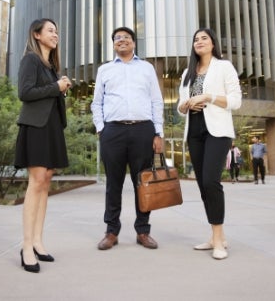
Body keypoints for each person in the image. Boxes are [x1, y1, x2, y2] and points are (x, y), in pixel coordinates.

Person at [91, 26, 164, 251]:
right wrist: (101, 129)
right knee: (113, 184)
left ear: (134, 43)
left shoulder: (146, 68)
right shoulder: (104, 70)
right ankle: (111, 231)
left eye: (126, 38)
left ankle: (143, 231)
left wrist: (158, 132)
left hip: (143, 130)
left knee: (142, 184)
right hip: (113, 132)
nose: (122, 40)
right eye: (117, 38)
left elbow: (156, 101)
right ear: (113, 44)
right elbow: (97, 102)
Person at [177, 28, 241, 260]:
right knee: (203, 186)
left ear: (213, 43)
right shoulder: (188, 72)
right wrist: (185, 106)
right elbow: (180, 104)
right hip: (194, 130)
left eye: (204, 38)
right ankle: (216, 238)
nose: (199, 42)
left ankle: (219, 239)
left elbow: (236, 101)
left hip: (218, 131)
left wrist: (208, 97)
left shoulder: (224, 67)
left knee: (211, 182)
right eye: (196, 39)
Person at [14, 18, 71, 273]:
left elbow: (47, 92)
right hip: (36, 127)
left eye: (57, 31)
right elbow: (24, 93)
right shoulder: (31, 59)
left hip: (51, 127)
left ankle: (38, 241)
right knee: (36, 182)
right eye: (50, 30)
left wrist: (60, 88)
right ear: (37, 35)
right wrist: (55, 87)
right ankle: (26, 246)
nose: (55, 34)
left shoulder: (50, 66)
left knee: (46, 182)